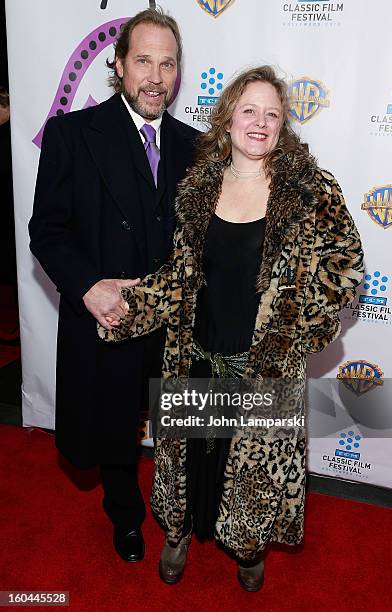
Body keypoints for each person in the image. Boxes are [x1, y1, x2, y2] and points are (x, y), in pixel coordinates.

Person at [98, 65, 364, 590]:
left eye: (272, 113)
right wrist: (127, 302)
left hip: (262, 368)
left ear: (283, 124)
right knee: (191, 460)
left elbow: (346, 264)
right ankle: (178, 533)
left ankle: (249, 546)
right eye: (249, 110)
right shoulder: (197, 189)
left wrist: (296, 328)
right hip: (197, 355)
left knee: (252, 476)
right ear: (227, 120)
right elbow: (180, 276)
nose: (259, 122)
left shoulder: (310, 190)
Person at [29, 8, 198, 563]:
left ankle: (181, 512)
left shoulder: (196, 147)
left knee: (183, 423)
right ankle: (125, 515)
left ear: (177, 72)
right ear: (119, 65)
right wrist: (86, 287)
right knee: (115, 430)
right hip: (111, 323)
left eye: (167, 63)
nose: (156, 76)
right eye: (143, 60)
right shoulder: (73, 134)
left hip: (175, 329)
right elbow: (47, 231)